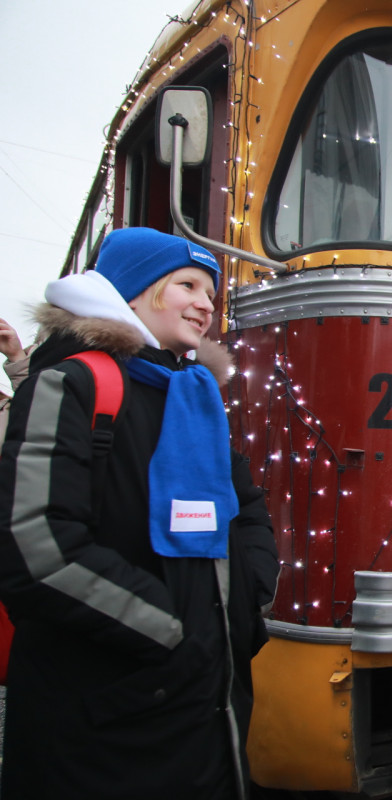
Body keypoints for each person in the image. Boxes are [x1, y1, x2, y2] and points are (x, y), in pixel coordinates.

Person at [0, 228, 280, 800]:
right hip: (104, 714)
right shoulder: (72, 383)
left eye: (211, 291)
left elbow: (246, 508)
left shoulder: (194, 395)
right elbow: (38, 547)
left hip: (202, 699)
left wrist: (248, 600)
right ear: (131, 292)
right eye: (188, 284)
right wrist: (173, 634)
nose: (207, 303)